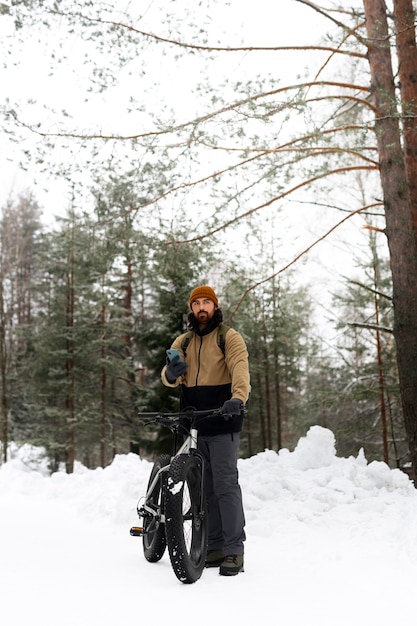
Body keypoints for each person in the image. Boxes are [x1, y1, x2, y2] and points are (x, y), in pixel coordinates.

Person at [161, 285, 250, 576]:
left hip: (223, 419)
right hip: (194, 422)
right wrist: (170, 375)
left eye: (206, 303)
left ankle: (234, 549)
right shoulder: (183, 341)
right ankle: (212, 546)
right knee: (203, 489)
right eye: (196, 303)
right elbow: (169, 375)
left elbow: (240, 367)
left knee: (225, 485)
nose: (201, 308)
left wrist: (238, 398)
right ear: (192, 309)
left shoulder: (228, 337)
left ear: (215, 306)